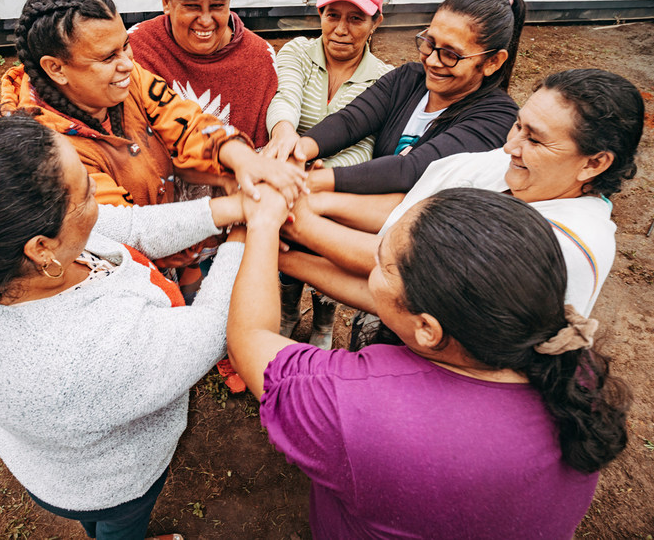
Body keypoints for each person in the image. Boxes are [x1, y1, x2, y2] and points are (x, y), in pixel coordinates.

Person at [0, 115, 273, 540]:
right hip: (114, 483)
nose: (99, 192)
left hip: (52, 466)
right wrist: (244, 234)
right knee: (119, 526)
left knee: (97, 526)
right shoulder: (88, 353)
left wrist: (229, 208)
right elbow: (209, 330)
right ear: (42, 248)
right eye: (88, 190)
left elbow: (128, 228)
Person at [226, 186, 631, 538]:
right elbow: (395, 306)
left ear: (428, 329)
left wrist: (261, 226)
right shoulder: (563, 359)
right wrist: (285, 260)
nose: (373, 266)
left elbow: (249, 339)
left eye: (381, 264)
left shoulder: (359, 405)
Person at [281, 69, 645, 347]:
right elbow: (411, 211)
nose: (510, 146)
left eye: (535, 139)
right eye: (518, 126)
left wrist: (289, 226)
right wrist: (314, 203)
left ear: (594, 164)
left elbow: (395, 268)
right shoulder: (513, 167)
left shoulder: (563, 246)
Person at [0, 0, 303, 211]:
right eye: (108, 57)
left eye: (125, 45)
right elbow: (128, 230)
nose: (128, 64)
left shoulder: (128, 80)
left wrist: (242, 159)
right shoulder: (46, 152)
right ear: (56, 68)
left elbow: (187, 122)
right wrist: (235, 209)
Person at [261, 0, 395, 348]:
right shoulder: (298, 52)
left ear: (376, 22)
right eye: (332, 14)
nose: (341, 29)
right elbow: (284, 96)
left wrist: (324, 172)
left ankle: (322, 324)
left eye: (356, 18)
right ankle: (288, 313)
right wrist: (284, 135)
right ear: (319, 11)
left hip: (340, 190)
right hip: (287, 175)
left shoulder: (385, 78)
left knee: (330, 258)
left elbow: (366, 144)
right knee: (287, 250)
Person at [292, 0, 527, 195]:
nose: (433, 61)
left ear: (493, 62)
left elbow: (411, 170)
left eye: (450, 54)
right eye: (429, 43)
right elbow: (350, 121)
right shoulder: (409, 78)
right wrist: (296, 154)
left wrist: (305, 180)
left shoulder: (497, 118)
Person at [128, 0, 278, 149]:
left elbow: (265, 151)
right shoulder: (135, 48)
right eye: (192, 6)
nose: (206, 21)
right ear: (165, 1)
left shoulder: (260, 57)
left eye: (217, 6)